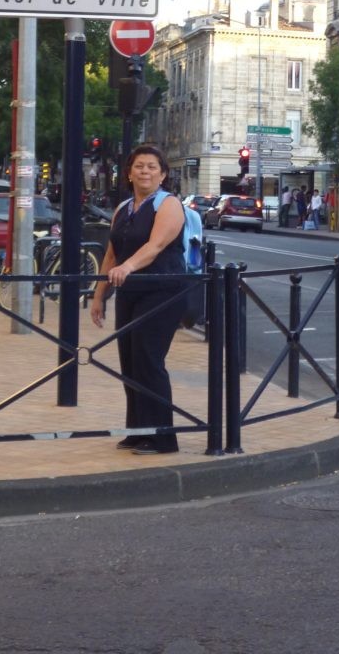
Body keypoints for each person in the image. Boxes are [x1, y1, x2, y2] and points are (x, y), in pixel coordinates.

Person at [90, 144, 187, 455]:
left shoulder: (168, 205)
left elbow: (156, 246)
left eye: (152, 167)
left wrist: (128, 267)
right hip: (130, 292)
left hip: (162, 290)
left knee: (148, 360)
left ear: (163, 174)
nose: (145, 171)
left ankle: (162, 437)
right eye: (139, 166)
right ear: (129, 173)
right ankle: (137, 430)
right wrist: (99, 295)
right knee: (129, 362)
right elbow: (112, 252)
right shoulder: (124, 208)